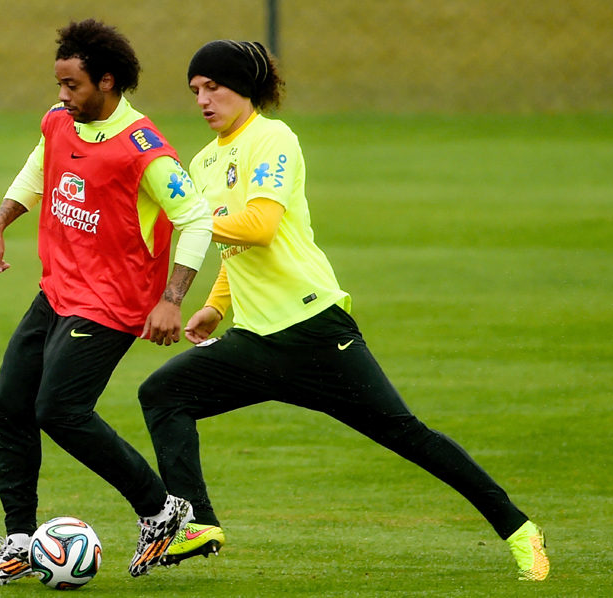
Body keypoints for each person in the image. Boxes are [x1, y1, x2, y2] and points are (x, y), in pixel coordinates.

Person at [138, 40, 550, 581]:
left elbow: (260, 227)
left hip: (315, 332)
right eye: (195, 90)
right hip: (257, 342)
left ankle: (520, 531)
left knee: (406, 435)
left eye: (214, 87)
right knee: (163, 394)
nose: (203, 100)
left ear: (245, 88)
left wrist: (185, 217)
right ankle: (197, 523)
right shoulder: (204, 160)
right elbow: (233, 249)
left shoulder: (273, 138)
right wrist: (216, 307)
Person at [0, 20, 209, 584]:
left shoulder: (145, 150)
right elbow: (39, 169)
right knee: (11, 405)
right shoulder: (60, 122)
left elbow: (196, 217)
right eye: (58, 83)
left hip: (112, 305)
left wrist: (171, 299)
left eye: (72, 85)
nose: (60, 95)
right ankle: (20, 542)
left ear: (107, 82)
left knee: (59, 410)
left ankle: (162, 510)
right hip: (57, 292)